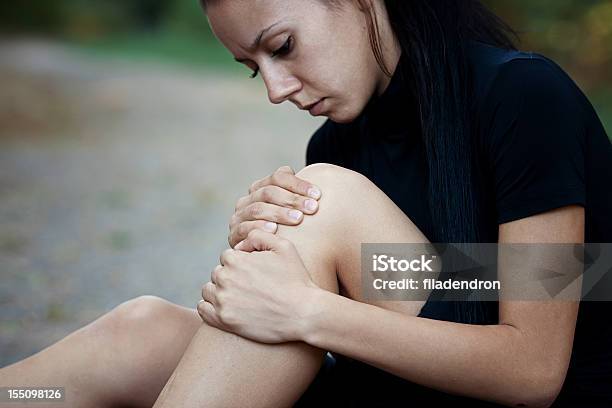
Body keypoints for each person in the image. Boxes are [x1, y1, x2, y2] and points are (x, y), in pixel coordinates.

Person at [1, 0, 611, 407]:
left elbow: (534, 367)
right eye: (252, 68)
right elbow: (447, 285)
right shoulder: (338, 141)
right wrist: (269, 249)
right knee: (141, 331)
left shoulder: (524, 97)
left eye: (284, 46)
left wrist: (306, 308)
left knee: (326, 200)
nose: (275, 89)